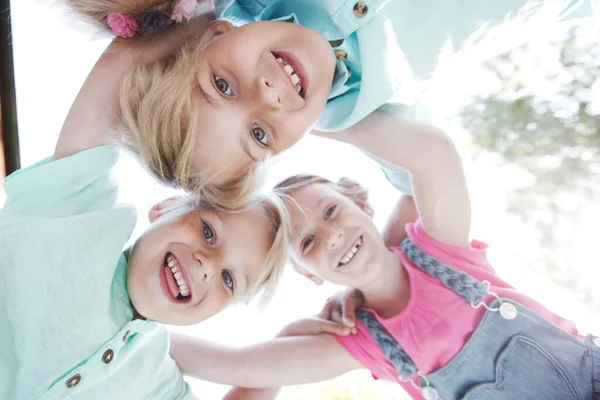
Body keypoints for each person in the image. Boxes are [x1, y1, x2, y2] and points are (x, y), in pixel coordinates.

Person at [170, 115, 600, 399]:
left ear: (363, 203)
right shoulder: (364, 343)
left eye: (331, 211)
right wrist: (125, 316)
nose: (332, 235)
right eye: (307, 244)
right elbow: (230, 365)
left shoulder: (440, 251)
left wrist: (311, 121)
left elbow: (432, 155)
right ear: (310, 276)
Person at [62, 0, 594, 211]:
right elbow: (418, 179)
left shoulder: (253, 4)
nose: (267, 98)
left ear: (216, 31)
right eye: (260, 134)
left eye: (223, 86)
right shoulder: (359, 116)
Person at [0, 104, 292, 399]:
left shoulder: (159, 381)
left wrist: (297, 338)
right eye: (208, 232)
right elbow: (113, 79)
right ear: (167, 206)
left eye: (229, 280)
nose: (209, 266)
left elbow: (262, 371)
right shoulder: (76, 219)